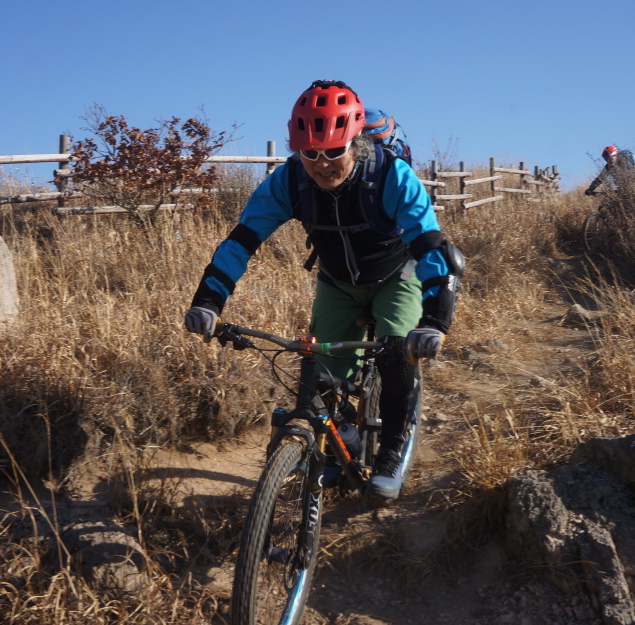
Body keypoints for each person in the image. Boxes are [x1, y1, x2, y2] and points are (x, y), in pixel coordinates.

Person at [184, 80, 464, 501]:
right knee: (324, 374)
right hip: (338, 282)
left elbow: (429, 245)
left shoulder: (391, 175)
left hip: (398, 275)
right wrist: (208, 302)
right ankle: (341, 444)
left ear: (356, 144)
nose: (322, 163)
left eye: (334, 150)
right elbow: (241, 241)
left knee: (396, 352)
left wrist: (434, 322)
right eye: (309, 152)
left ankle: (391, 452)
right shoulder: (289, 181)